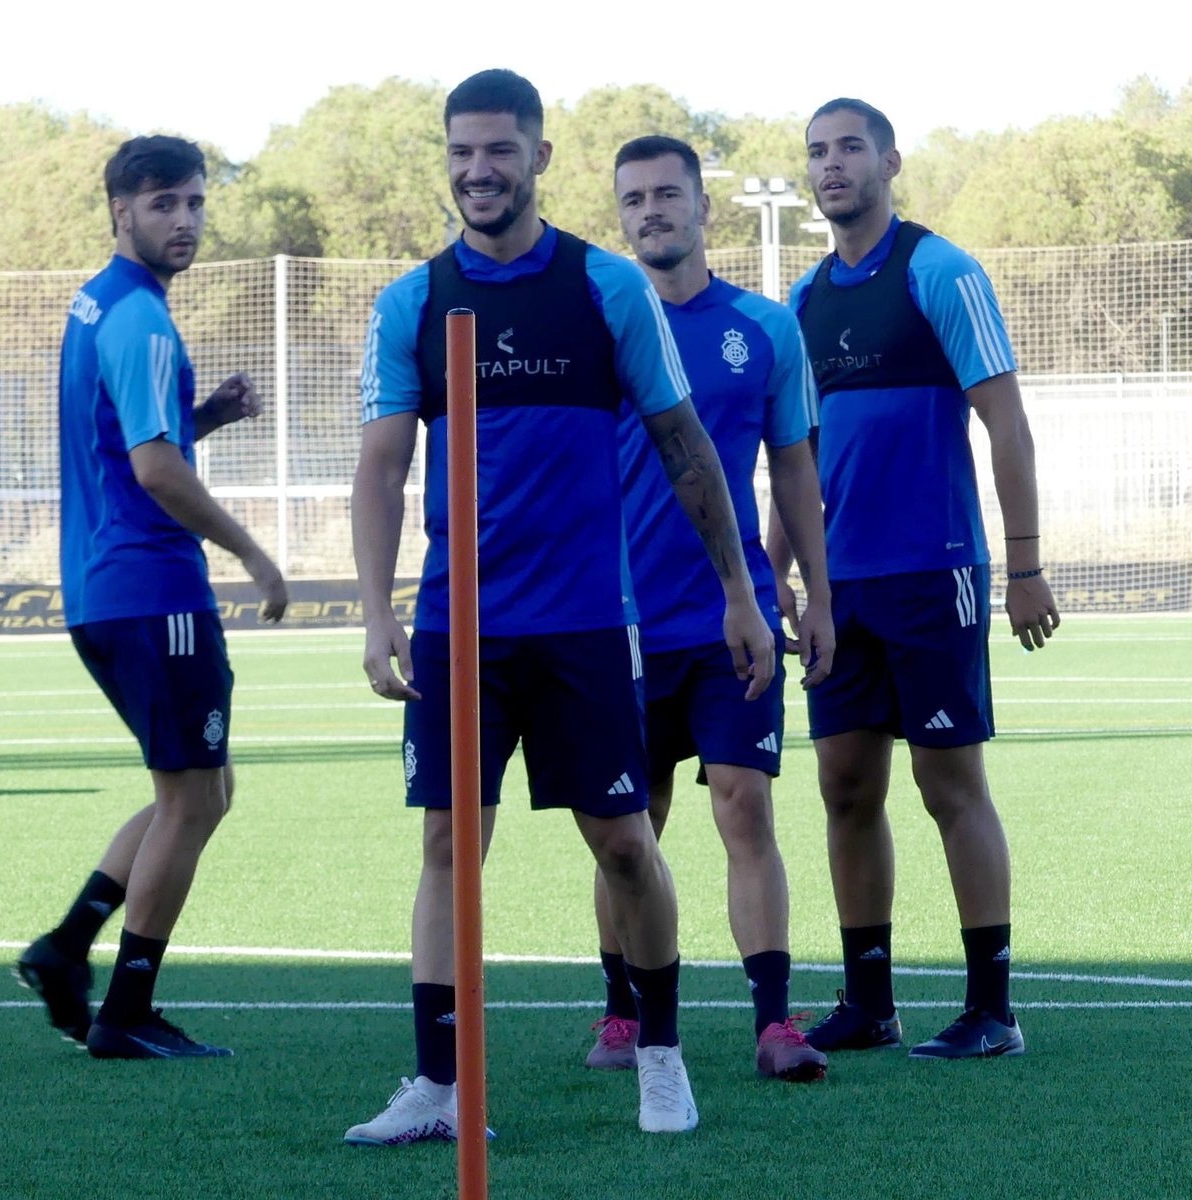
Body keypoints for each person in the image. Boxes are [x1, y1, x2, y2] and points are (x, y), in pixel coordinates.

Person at [347, 70, 774, 1142]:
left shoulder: (603, 288)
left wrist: (738, 593)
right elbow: (380, 468)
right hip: (459, 631)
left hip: (586, 626)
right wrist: (375, 612)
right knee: (448, 846)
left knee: (626, 845)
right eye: (460, 152)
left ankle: (664, 1060)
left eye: (498, 150)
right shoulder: (413, 301)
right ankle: (438, 1086)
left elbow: (685, 446)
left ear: (539, 157)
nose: (477, 171)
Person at [769, 98, 1060, 1059]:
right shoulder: (804, 304)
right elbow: (795, 457)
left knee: (949, 784)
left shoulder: (941, 270)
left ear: (890, 160)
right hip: (840, 590)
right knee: (846, 787)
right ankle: (870, 1004)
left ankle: (994, 1010)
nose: (832, 164)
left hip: (934, 575)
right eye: (817, 152)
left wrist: (1024, 566)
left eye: (850, 146)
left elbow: (1007, 425)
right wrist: (778, 570)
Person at [15, 135, 288, 1060]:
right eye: (165, 204)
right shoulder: (140, 320)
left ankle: (66, 946)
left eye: (196, 203)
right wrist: (252, 551)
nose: (185, 221)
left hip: (109, 587)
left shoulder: (100, 305)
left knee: (204, 790)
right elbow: (154, 469)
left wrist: (203, 415)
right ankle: (125, 1013)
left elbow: (128, 442)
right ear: (121, 211)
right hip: (151, 586)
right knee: (191, 799)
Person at [583, 135, 831, 1083]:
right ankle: (620, 1014)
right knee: (627, 831)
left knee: (746, 809)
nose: (651, 211)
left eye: (667, 194)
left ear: (703, 207)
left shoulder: (765, 329)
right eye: (633, 198)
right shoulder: (601, 327)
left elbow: (796, 471)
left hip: (735, 620)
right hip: (618, 627)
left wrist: (816, 595)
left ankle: (775, 1022)